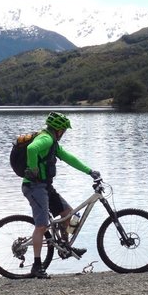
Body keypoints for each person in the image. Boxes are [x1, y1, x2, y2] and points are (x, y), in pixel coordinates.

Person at [22, 111, 100, 279]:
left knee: (67, 215)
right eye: (64, 130)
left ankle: (65, 247)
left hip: (45, 186)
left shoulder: (53, 143)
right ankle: (36, 266)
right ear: (58, 129)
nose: (64, 133)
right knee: (42, 226)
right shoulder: (46, 139)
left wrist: (89, 171)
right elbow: (31, 148)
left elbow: (69, 158)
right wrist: (34, 168)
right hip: (34, 187)